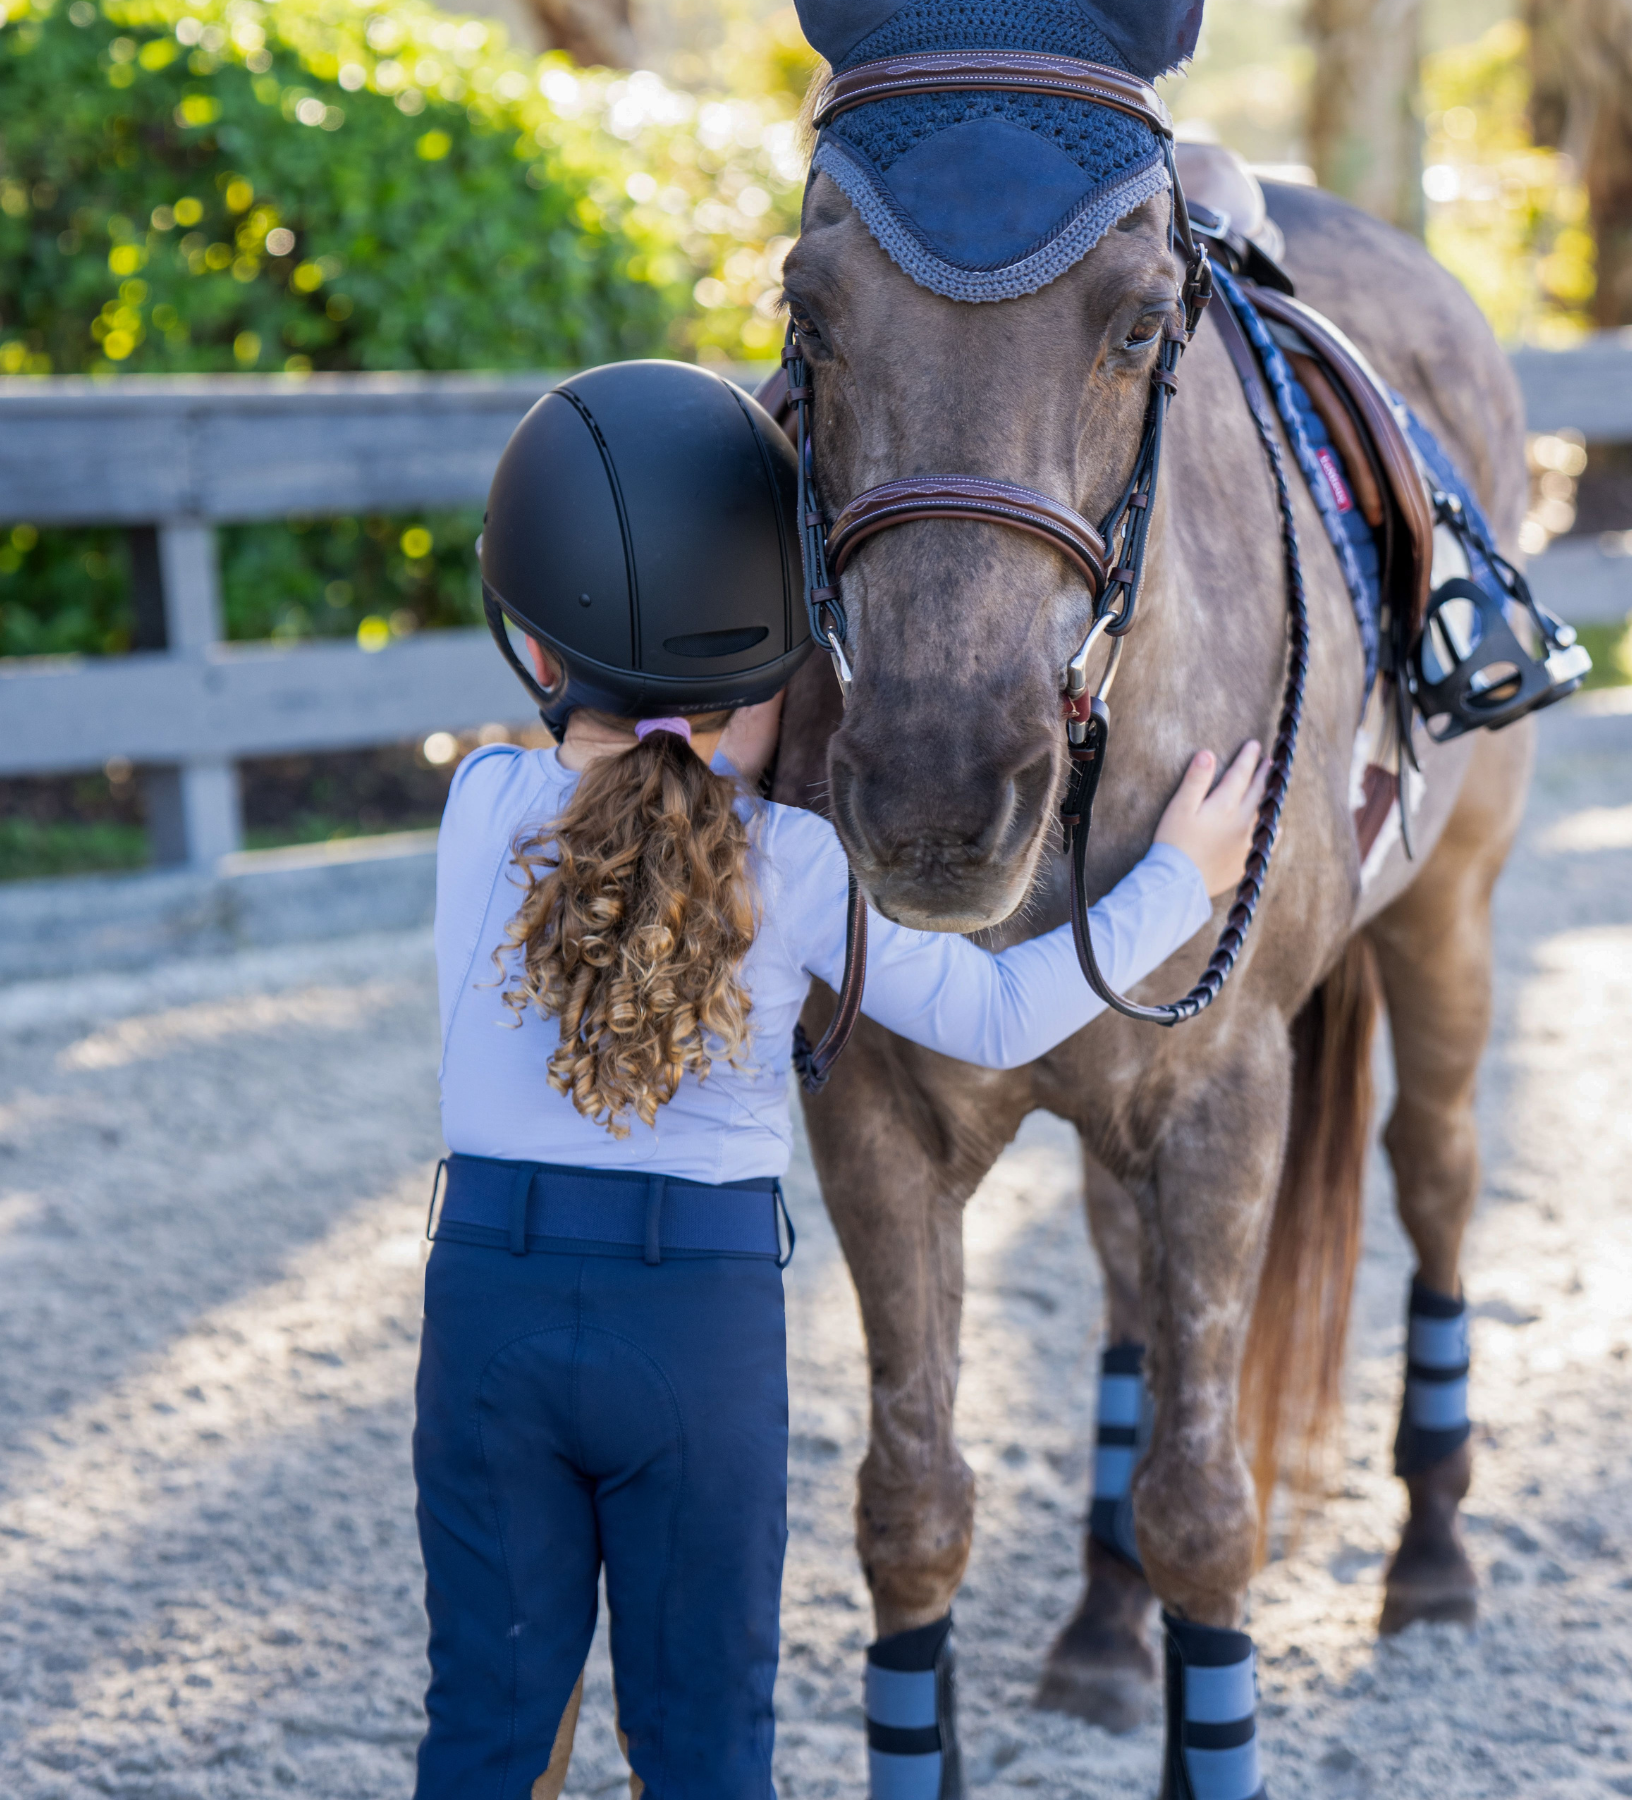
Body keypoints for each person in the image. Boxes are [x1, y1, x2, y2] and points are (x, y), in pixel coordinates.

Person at [412, 361, 1267, 1799]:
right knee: (702, 1743)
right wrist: (1177, 877)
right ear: (785, 663)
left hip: (487, 1312)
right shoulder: (795, 865)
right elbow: (997, 1013)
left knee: (489, 1729)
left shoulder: (478, 810)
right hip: (695, 1327)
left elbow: (606, 792)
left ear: (541, 655)